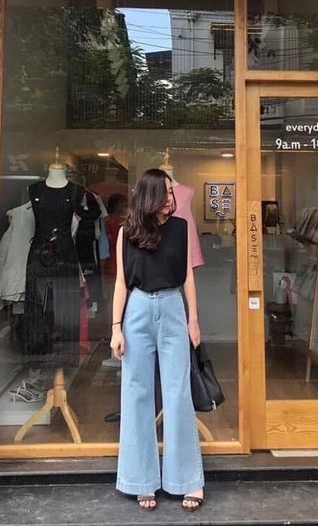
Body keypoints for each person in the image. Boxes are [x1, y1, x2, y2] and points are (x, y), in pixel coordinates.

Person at [110, 168, 204, 512]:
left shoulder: (180, 228)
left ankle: (188, 479)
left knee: (178, 392)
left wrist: (193, 319)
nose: (170, 198)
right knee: (136, 393)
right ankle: (141, 480)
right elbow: (121, 282)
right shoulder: (127, 231)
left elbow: (187, 277)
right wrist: (116, 327)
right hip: (136, 310)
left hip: (172, 306)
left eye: (171, 191)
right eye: (165, 192)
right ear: (150, 195)